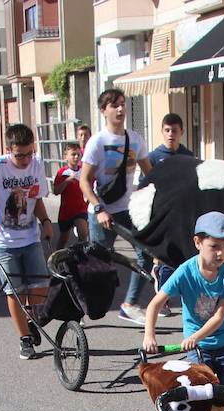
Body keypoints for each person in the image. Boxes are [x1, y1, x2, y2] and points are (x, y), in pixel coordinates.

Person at [140, 212, 224, 411]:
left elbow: (219, 316)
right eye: (214, 246)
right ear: (198, 242)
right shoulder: (185, 272)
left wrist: (196, 336)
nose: (220, 253)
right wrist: (149, 336)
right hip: (197, 347)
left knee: (222, 391)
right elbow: (155, 304)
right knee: (197, 389)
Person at [0, 123, 52, 360]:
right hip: (2, 241)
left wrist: (45, 220)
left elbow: (36, 199)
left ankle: (29, 319)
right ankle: (25, 339)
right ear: (9, 149)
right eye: (19, 155)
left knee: (40, 285)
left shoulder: (36, 165)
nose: (25, 160)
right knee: (15, 290)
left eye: (29, 153)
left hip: (30, 237)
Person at [78, 89, 151, 324]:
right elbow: (84, 182)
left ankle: (129, 304)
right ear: (103, 111)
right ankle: (79, 305)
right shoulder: (97, 142)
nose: (120, 109)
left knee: (146, 253)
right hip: (101, 212)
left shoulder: (135, 139)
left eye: (122, 104)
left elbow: (150, 173)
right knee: (98, 266)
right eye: (114, 105)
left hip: (128, 210)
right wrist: (99, 209)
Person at [138, 112, 197, 291]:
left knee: (184, 251)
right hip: (162, 210)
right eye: (167, 130)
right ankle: (162, 293)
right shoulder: (153, 157)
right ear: (162, 132)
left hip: (183, 209)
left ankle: (182, 287)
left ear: (182, 132)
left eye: (175, 130)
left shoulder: (188, 155)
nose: (171, 134)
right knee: (165, 251)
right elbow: (145, 185)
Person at [53, 142, 89, 248]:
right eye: (73, 154)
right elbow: (56, 191)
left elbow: (90, 185)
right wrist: (67, 181)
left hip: (81, 209)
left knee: (83, 233)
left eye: (78, 154)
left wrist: (89, 196)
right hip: (66, 211)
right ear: (66, 156)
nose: (76, 157)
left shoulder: (83, 171)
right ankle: (57, 259)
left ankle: (81, 258)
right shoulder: (62, 173)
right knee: (63, 239)